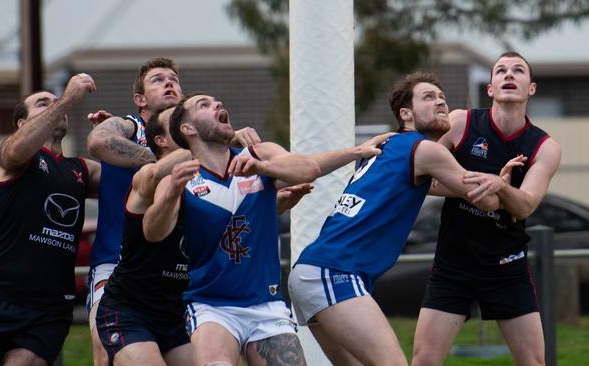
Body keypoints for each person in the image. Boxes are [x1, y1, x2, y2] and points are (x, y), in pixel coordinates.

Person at [143, 93, 390, 366]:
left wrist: (264, 167)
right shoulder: (180, 177)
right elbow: (153, 232)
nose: (218, 104)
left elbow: (308, 167)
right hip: (211, 305)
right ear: (187, 129)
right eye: (204, 104)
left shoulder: (259, 154)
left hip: (266, 304)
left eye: (217, 102)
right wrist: (170, 194)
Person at [287, 71, 508, 366]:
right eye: (428, 98)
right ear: (406, 114)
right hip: (334, 270)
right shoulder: (425, 149)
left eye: (442, 98)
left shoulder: (388, 146)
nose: (441, 103)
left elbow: (434, 185)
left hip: (312, 271)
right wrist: (501, 183)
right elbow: (488, 199)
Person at [85, 57, 262, 366]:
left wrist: (227, 138)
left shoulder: (200, 139)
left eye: (173, 79)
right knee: (105, 347)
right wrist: (160, 162)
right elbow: (99, 141)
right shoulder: (130, 126)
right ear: (139, 100)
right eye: (157, 80)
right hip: (117, 263)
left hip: (175, 269)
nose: (168, 83)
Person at [411, 52, 562, 366]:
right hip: (454, 263)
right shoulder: (461, 122)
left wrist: (502, 187)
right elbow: (423, 176)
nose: (509, 74)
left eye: (518, 70)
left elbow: (526, 205)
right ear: (491, 88)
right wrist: (476, 189)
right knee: (424, 359)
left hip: (506, 266)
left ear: (530, 88)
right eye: (501, 70)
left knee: (533, 361)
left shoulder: (544, 147)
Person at [0, 73, 101, 366]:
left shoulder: (80, 169)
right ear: (21, 123)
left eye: (57, 104)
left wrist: (112, 136)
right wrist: (68, 98)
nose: (55, 107)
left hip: (47, 309)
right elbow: (16, 150)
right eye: (43, 103)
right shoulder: (16, 156)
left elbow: (132, 186)